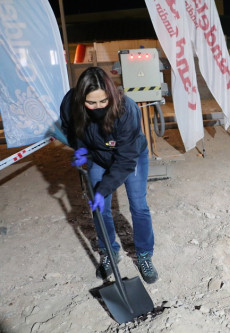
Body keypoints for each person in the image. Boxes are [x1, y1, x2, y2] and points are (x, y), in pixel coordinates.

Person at [60, 67, 158, 284]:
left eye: (103, 101)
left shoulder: (126, 109)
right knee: (100, 207)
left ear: (111, 95)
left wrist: (103, 188)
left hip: (128, 155)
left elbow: (125, 161)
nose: (97, 108)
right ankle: (109, 251)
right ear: (81, 98)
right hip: (97, 155)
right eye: (91, 103)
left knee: (138, 204)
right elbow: (70, 129)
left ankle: (144, 254)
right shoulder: (70, 103)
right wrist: (80, 149)